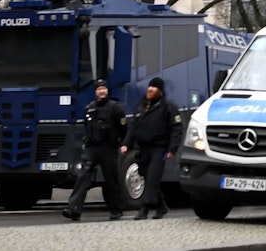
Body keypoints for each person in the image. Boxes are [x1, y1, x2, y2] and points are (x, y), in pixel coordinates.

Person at [64, 80, 127, 221]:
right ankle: (73, 209)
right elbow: (87, 127)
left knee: (111, 180)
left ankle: (116, 209)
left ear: (107, 91)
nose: (102, 91)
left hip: (108, 148)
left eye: (104, 88)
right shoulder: (89, 108)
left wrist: (122, 143)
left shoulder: (115, 108)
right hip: (92, 148)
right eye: (99, 89)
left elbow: (124, 129)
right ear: (95, 92)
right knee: (83, 177)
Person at [122, 77, 182, 220]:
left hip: (159, 148)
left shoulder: (168, 107)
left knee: (153, 177)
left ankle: (145, 209)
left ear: (160, 91)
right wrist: (126, 144)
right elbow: (133, 127)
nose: (150, 89)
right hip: (143, 149)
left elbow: (176, 129)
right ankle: (162, 207)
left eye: (154, 88)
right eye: (149, 87)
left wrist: (172, 149)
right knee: (148, 178)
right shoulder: (141, 106)